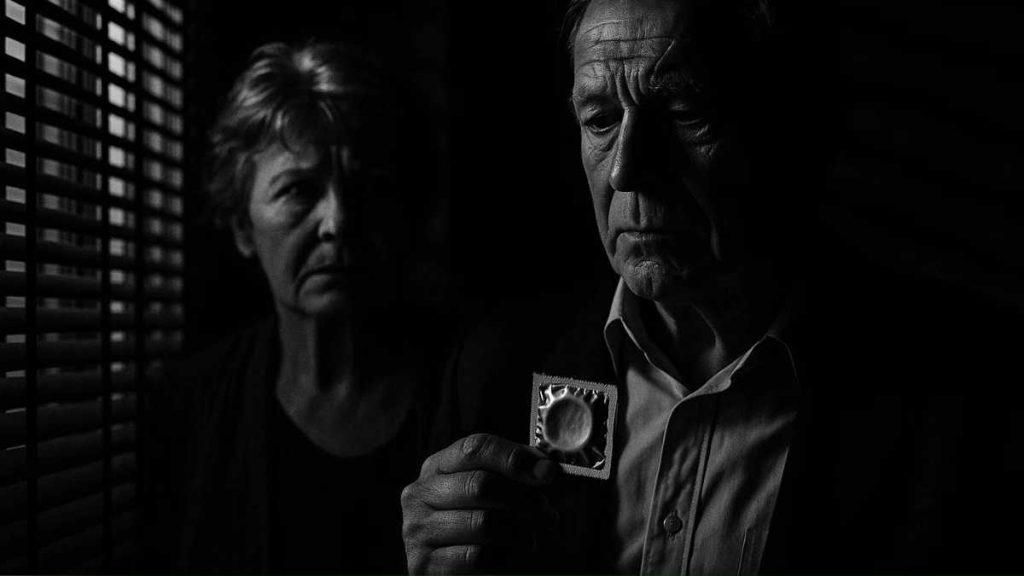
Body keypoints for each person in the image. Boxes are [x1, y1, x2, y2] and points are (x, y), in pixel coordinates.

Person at [401, 0, 1024, 573]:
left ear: (796, 128)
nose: (626, 170)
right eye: (600, 119)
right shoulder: (495, 366)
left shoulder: (969, 399)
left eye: (685, 112)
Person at [139, 41, 446, 573]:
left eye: (369, 187)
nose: (338, 222)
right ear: (242, 225)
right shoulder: (191, 408)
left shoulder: (470, 384)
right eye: (299, 190)